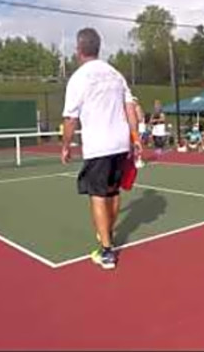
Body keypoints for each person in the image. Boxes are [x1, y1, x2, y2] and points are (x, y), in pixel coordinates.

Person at [61, 27, 141, 270]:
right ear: (98, 47)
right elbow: (130, 108)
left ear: (79, 50)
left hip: (99, 146)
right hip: (120, 143)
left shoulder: (78, 78)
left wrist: (65, 145)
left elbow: (70, 119)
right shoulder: (116, 74)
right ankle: (107, 233)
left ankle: (107, 252)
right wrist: (135, 138)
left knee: (97, 195)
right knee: (113, 192)